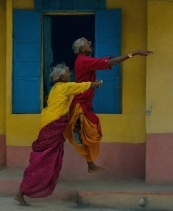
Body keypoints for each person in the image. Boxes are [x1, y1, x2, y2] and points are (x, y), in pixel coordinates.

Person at [14, 63, 103, 206]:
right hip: (53, 123)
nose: (70, 74)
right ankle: (21, 192)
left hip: (50, 121)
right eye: (68, 72)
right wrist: (98, 83)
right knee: (42, 160)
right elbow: (83, 86)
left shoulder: (55, 88)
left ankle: (90, 164)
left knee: (46, 158)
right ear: (62, 76)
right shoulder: (64, 87)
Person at [64, 37, 153, 173]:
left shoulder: (84, 60)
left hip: (84, 104)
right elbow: (111, 62)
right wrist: (133, 53)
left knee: (87, 134)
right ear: (82, 49)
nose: (90, 44)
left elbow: (111, 60)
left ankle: (89, 162)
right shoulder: (84, 61)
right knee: (89, 132)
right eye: (88, 44)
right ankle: (75, 139)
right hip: (80, 105)